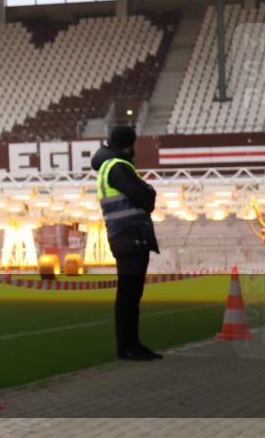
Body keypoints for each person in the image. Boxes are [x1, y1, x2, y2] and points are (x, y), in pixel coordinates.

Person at [91, 124, 163, 361]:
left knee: (129, 295)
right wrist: (149, 190)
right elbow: (146, 198)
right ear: (130, 144)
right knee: (129, 296)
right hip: (130, 235)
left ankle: (130, 345)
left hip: (124, 235)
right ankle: (129, 347)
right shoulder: (118, 167)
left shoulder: (108, 166)